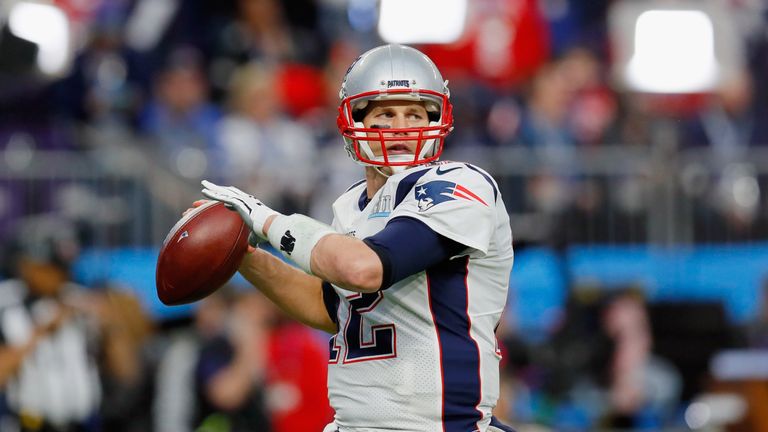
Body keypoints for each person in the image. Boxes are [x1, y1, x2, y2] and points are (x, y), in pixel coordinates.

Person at [198, 44, 516, 432]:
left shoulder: (461, 184)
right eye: (386, 113)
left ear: (438, 119)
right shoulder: (352, 206)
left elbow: (364, 269)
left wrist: (264, 220)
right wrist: (241, 252)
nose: (402, 127)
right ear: (354, 121)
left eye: (415, 113)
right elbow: (330, 305)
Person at [0, 215, 102, 432]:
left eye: (64, 267)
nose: (61, 275)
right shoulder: (6, 304)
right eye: (52, 267)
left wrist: (107, 323)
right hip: (28, 424)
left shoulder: (79, 300)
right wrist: (41, 331)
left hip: (81, 425)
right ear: (26, 264)